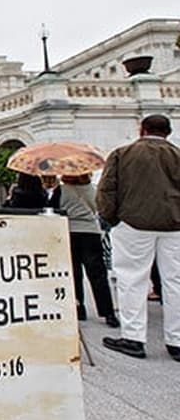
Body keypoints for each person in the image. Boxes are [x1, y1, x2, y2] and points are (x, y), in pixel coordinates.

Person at [97, 114, 180, 361]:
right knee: (175, 282)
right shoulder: (178, 155)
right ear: (168, 131)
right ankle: (176, 340)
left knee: (132, 279)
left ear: (142, 129)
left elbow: (107, 189)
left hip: (133, 223)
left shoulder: (123, 154)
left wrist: (112, 218)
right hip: (174, 224)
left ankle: (133, 338)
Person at [49, 174, 118, 327]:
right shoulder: (92, 189)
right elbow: (99, 208)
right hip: (91, 231)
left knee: (74, 273)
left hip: (69, 231)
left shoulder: (60, 190)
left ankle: (79, 309)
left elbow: (53, 208)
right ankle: (108, 313)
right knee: (98, 275)